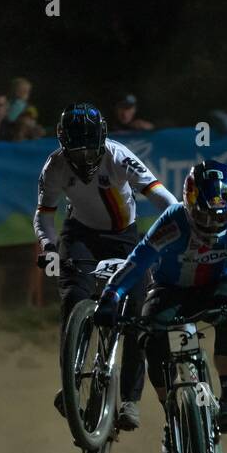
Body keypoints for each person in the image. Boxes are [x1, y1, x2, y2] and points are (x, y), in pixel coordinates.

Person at [93, 160, 227, 445]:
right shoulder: (172, 221)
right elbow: (136, 264)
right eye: (204, 216)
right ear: (188, 205)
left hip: (218, 284)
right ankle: (171, 413)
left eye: (220, 217)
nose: (212, 225)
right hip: (170, 288)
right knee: (150, 338)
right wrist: (110, 296)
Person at [35, 103, 179, 431]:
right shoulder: (55, 166)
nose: (84, 158)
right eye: (76, 150)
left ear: (102, 142)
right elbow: (44, 214)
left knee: (137, 310)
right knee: (73, 297)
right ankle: (71, 382)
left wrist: (179, 228)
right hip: (79, 233)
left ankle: (129, 398)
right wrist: (49, 247)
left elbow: (160, 196)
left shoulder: (119, 156)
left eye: (90, 150)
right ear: (63, 145)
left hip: (123, 237)